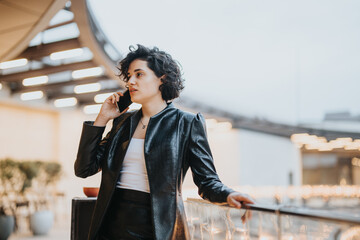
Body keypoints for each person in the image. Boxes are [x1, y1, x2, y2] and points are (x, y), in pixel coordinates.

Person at [74, 44, 255, 240]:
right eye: (129, 76)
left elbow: (206, 181)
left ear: (163, 78)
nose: (131, 82)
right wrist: (102, 119)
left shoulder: (186, 124)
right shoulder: (122, 123)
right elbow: (84, 169)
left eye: (139, 74)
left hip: (157, 226)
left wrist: (228, 195)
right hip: (110, 224)